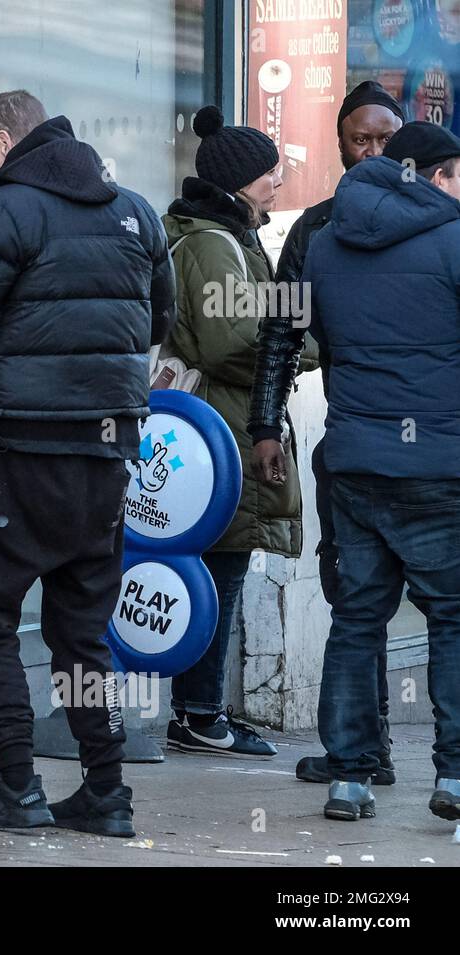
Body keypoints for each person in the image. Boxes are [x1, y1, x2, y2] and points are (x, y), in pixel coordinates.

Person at [0, 90, 175, 836]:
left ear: (6, 139)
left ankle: (16, 786)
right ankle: (105, 793)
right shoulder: (134, 209)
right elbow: (157, 321)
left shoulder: (9, 208)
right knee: (82, 635)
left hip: (20, 450)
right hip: (107, 456)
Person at [303, 122, 460, 823]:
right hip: (437, 464)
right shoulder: (453, 241)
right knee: (452, 618)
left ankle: (348, 778)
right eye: (454, 173)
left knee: (357, 619)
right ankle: (454, 778)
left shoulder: (324, 242)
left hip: (357, 459)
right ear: (426, 175)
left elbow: (320, 342)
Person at [249, 81, 404, 786]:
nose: (372, 151)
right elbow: (280, 334)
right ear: (339, 145)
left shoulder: (439, 223)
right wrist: (265, 425)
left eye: (384, 139)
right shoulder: (314, 230)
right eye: (358, 139)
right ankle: (366, 752)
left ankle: (440, 769)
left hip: (425, 446)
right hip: (351, 441)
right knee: (354, 593)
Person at [159, 106, 318, 758]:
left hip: (220, 423)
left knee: (216, 565)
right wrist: (307, 347)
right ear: (237, 183)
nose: (277, 186)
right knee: (218, 568)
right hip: (221, 429)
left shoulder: (226, 236)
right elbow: (236, 341)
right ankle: (199, 712)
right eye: (268, 176)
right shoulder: (211, 244)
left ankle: (197, 708)